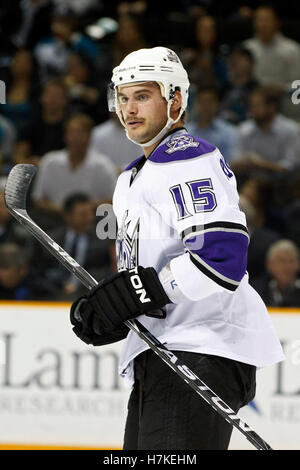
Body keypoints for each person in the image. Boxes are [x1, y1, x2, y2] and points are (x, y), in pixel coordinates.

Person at [70, 47, 284, 450]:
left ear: (175, 100)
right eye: (123, 97)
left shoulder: (184, 158)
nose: (128, 108)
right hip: (164, 351)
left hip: (201, 349)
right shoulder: (133, 176)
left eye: (142, 96)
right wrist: (117, 309)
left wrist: (139, 292)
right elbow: (146, 275)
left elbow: (222, 256)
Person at [32, 112, 117, 217]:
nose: (76, 138)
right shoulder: (49, 162)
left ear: (90, 137)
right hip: (55, 220)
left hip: (92, 221)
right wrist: (64, 212)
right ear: (65, 136)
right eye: (72, 133)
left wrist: (86, 209)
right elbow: (38, 199)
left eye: (80, 133)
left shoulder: (103, 165)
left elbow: (115, 199)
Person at [232, 85, 300, 173]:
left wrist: (262, 164)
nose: (252, 110)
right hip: (248, 175)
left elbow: (291, 166)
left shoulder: (290, 130)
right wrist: (242, 162)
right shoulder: (244, 129)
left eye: (257, 106)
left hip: (280, 180)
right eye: (252, 106)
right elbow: (235, 160)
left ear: (272, 107)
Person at [187, 86, 238, 162]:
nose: (206, 106)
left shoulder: (228, 132)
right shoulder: (186, 131)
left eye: (210, 102)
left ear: (217, 104)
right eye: (203, 102)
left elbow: (230, 163)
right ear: (196, 104)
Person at [252, 239, 300, 307]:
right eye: (282, 261)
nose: (287, 266)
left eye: (291, 261)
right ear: (269, 265)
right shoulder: (256, 291)